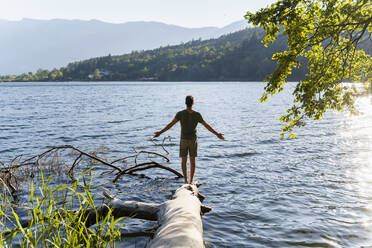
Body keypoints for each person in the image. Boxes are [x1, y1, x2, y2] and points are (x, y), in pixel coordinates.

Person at [154, 95, 224, 184]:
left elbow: (170, 125)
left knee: (184, 161)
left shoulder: (180, 113)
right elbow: (207, 126)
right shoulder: (197, 114)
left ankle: (186, 181)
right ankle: (191, 180)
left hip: (183, 140)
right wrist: (217, 134)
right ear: (193, 103)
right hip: (193, 140)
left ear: (185, 103)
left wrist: (160, 133)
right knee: (192, 161)